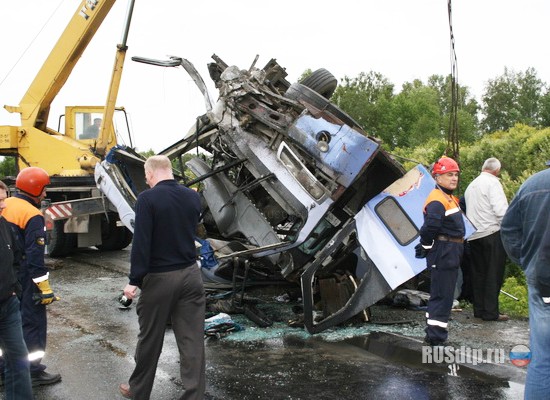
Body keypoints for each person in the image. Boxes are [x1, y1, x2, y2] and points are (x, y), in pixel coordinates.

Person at [119, 155, 205, 400]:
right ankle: (194, 395)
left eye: (146, 177)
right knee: (192, 340)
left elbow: (142, 242)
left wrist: (134, 280)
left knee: (150, 338)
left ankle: (138, 390)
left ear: (150, 173)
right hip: (191, 274)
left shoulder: (147, 199)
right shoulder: (192, 196)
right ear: (170, 170)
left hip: (160, 278)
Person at [1, 167, 61, 386]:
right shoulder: (33, 215)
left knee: (7, 323)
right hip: (26, 276)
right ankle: (33, 371)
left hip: (6, 274)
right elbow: (35, 260)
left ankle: (4, 370)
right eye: (44, 189)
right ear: (36, 188)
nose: (45, 194)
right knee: (33, 322)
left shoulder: (6, 206)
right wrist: (43, 288)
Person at [501, 167, 550, 400]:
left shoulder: (531, 184)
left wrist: (526, 261)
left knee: (542, 358)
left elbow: (509, 229)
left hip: (542, 281)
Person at [415, 156, 465, 346]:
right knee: (442, 295)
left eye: (455, 175)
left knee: (443, 294)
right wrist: (426, 246)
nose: (454, 178)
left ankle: (434, 333)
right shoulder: (437, 199)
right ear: (437, 178)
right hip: (444, 250)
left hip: (450, 250)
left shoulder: (448, 198)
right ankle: (436, 338)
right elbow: (430, 227)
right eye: (449, 175)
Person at [463, 158, 509, 321]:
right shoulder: (493, 183)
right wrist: (508, 229)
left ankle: (479, 310)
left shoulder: (471, 186)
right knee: (493, 274)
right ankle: (491, 313)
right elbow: (501, 210)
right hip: (491, 232)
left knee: (478, 274)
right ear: (497, 170)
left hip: (474, 235)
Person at [0, 180, 34, 399]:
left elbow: (14, 259)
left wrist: (14, 288)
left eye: (3, 200)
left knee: (20, 361)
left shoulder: (3, 223)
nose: (3, 206)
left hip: (8, 305)